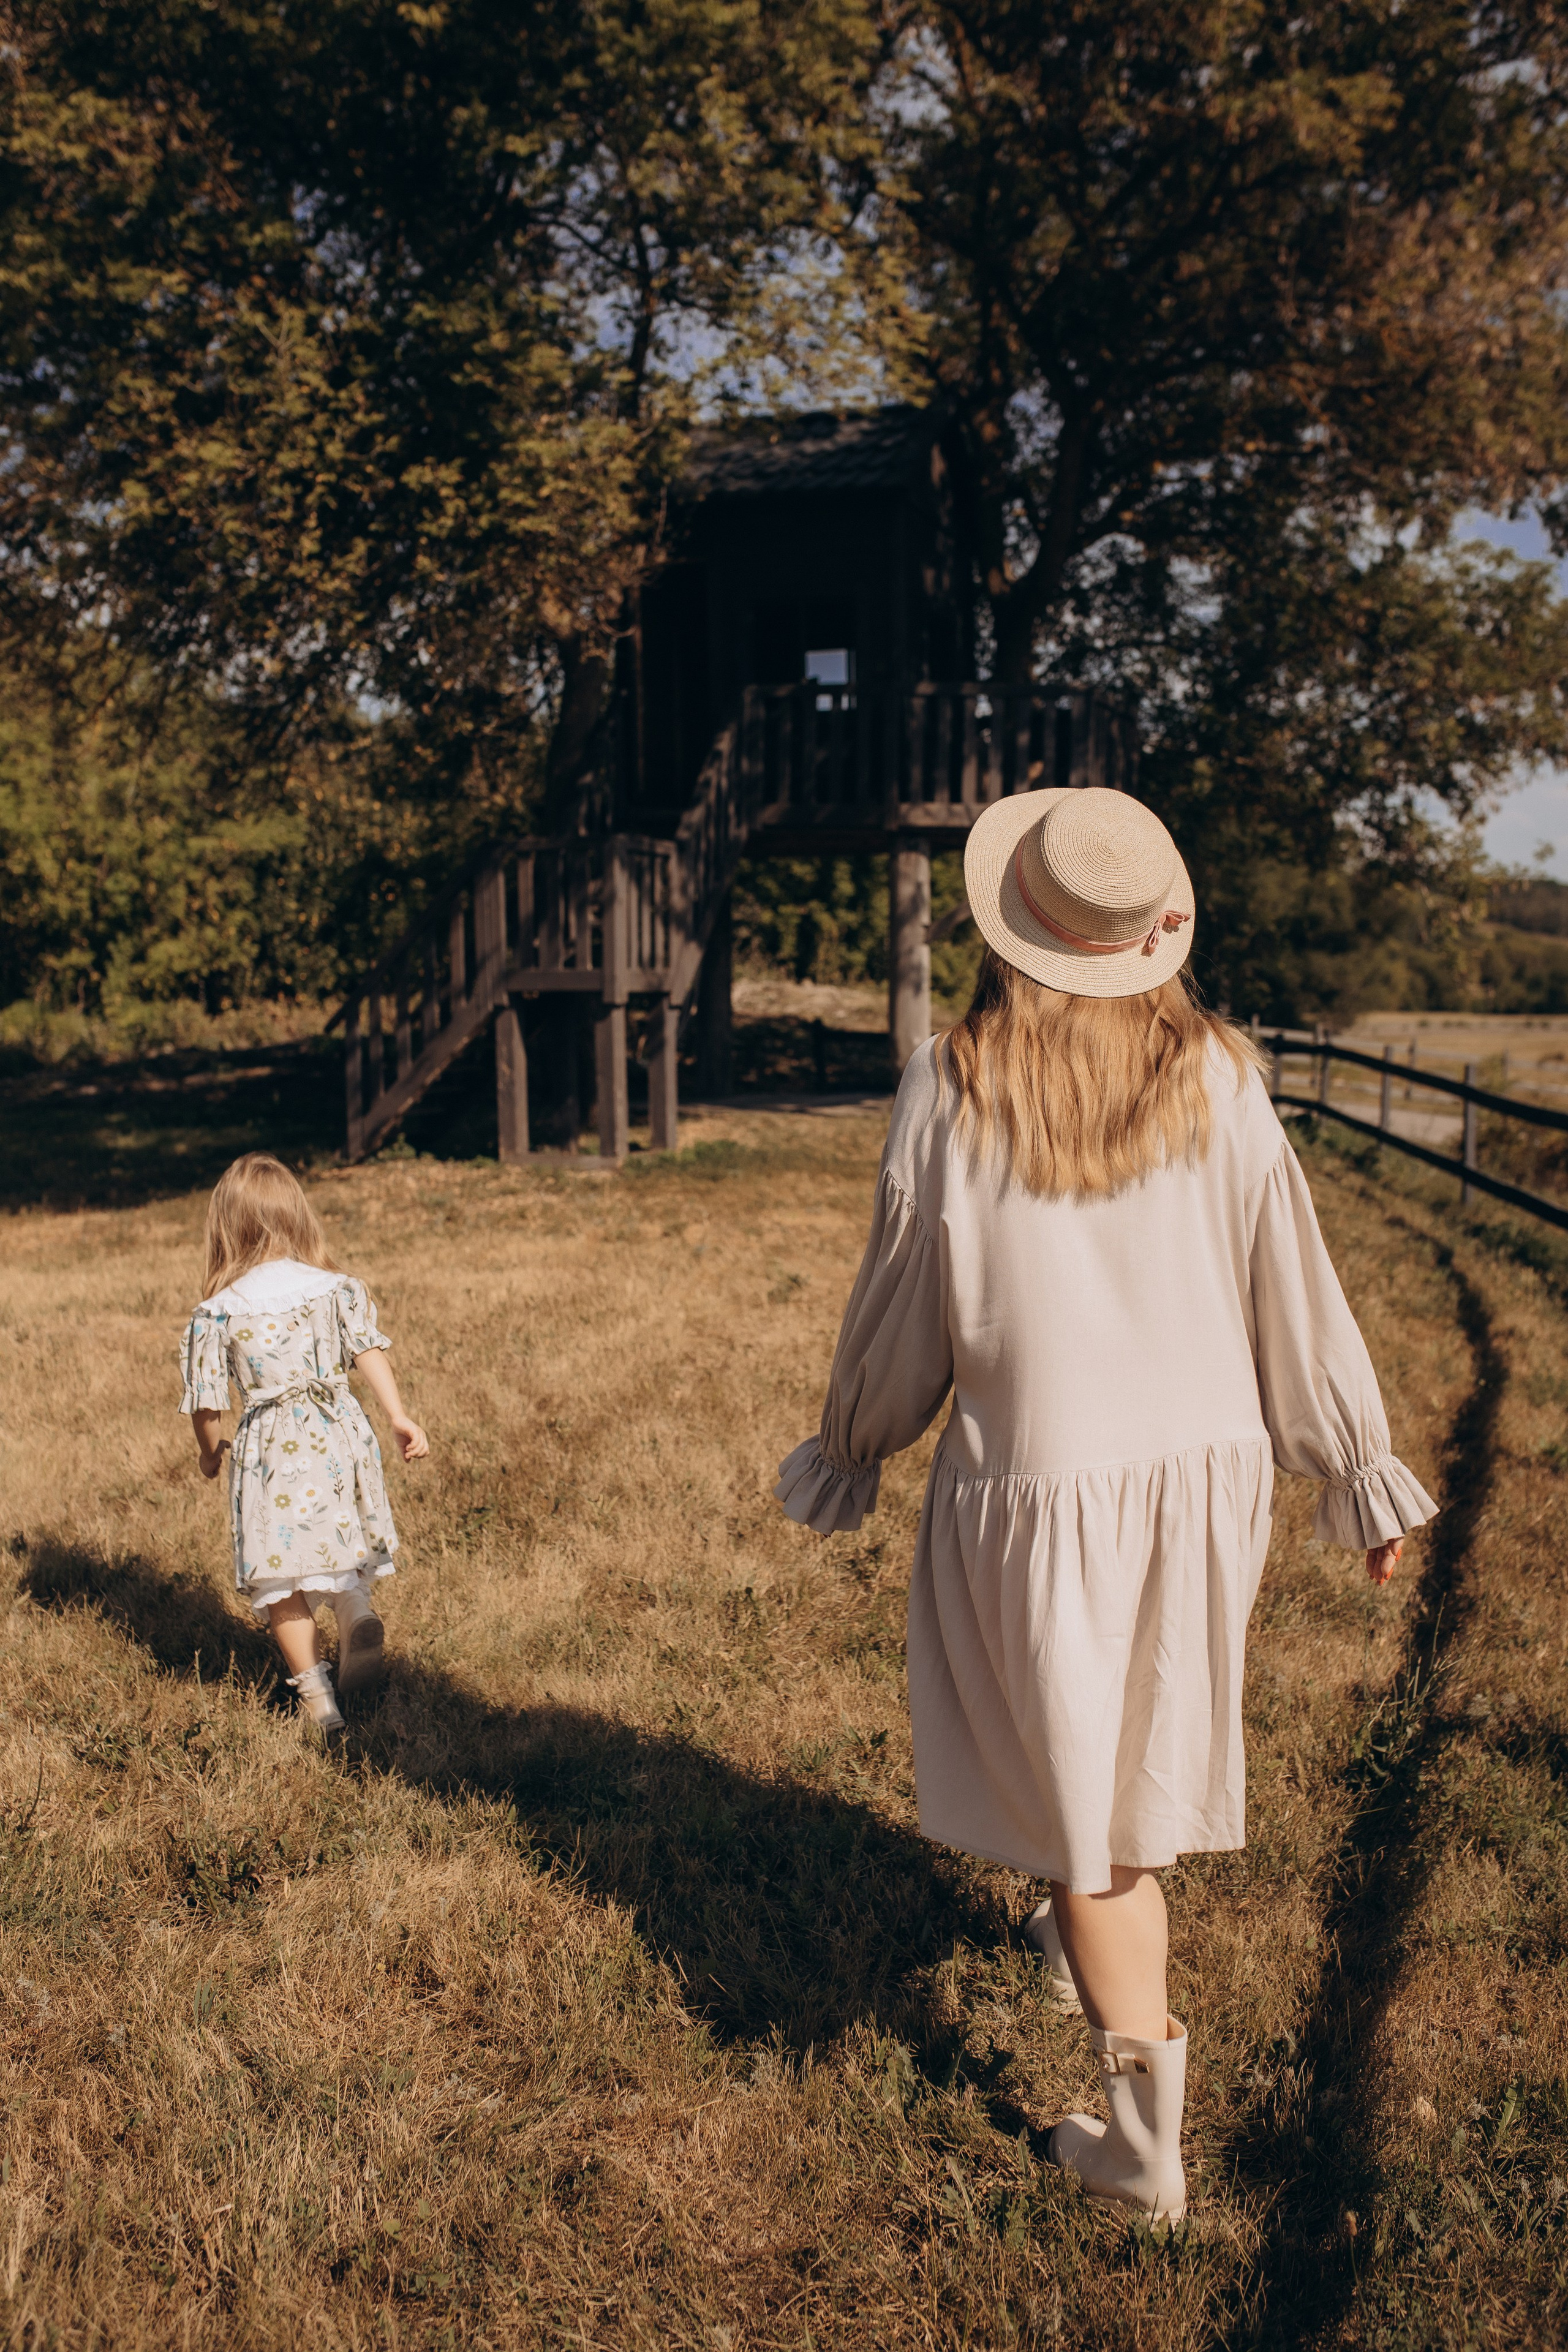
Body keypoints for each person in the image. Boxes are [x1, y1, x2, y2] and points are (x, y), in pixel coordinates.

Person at [776, 786, 1435, 2223]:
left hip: (1044, 1484)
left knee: (1095, 1820)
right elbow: (1291, 1287)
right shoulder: (1222, 1070)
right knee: (1108, 1736)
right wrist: (1349, 1459)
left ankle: (1140, 2136)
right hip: (1208, 1487)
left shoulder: (951, 1079)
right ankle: (1079, 1903)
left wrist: (855, 1441)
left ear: (1015, 929)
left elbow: (900, 1309)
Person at [178, 1152, 428, 1734]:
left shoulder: (218, 1312)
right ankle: (355, 1609)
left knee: (278, 1573)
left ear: (224, 1227)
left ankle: (318, 1700)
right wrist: (399, 1415)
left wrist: (210, 1452)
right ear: (297, 1216)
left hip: (270, 1446)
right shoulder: (335, 1288)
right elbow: (368, 1351)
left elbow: (207, 1401)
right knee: (341, 1533)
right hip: (337, 1428)